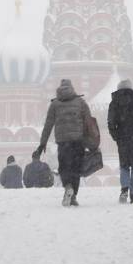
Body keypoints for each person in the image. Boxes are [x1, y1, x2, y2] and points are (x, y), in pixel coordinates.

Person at [34, 78, 93, 207]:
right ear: (72, 88)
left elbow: (48, 125)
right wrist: (91, 141)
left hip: (63, 142)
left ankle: (68, 187)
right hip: (78, 141)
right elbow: (89, 122)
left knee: (64, 167)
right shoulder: (80, 102)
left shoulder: (55, 104)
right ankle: (73, 195)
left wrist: (42, 143)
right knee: (76, 169)